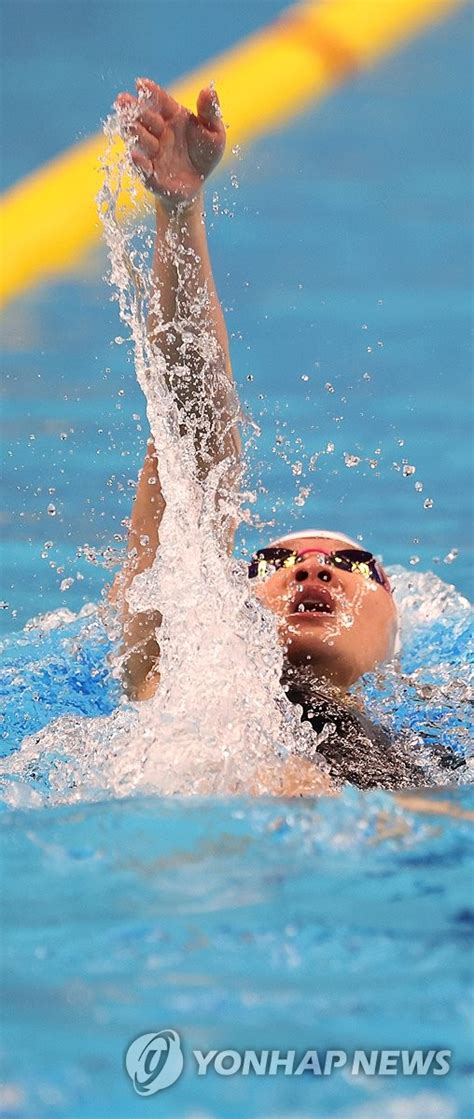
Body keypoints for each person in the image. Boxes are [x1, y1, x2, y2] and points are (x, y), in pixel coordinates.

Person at [110, 78, 463, 794]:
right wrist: (178, 211)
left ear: (395, 637)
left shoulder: (441, 753)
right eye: (275, 559)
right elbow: (195, 433)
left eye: (354, 563)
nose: (312, 570)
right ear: (228, 607)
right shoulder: (179, 678)